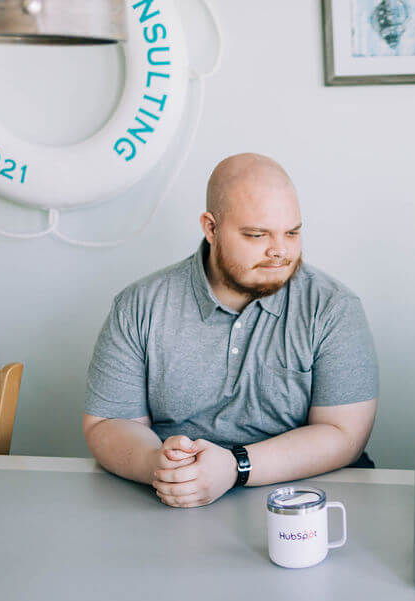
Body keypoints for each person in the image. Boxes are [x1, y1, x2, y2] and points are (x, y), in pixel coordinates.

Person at [83, 153, 379, 508]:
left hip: (301, 503)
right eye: (257, 234)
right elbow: (107, 424)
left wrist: (236, 467)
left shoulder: (332, 307)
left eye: (293, 233)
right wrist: (159, 466)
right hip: (167, 501)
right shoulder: (139, 306)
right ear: (211, 228)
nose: (280, 251)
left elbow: (344, 435)